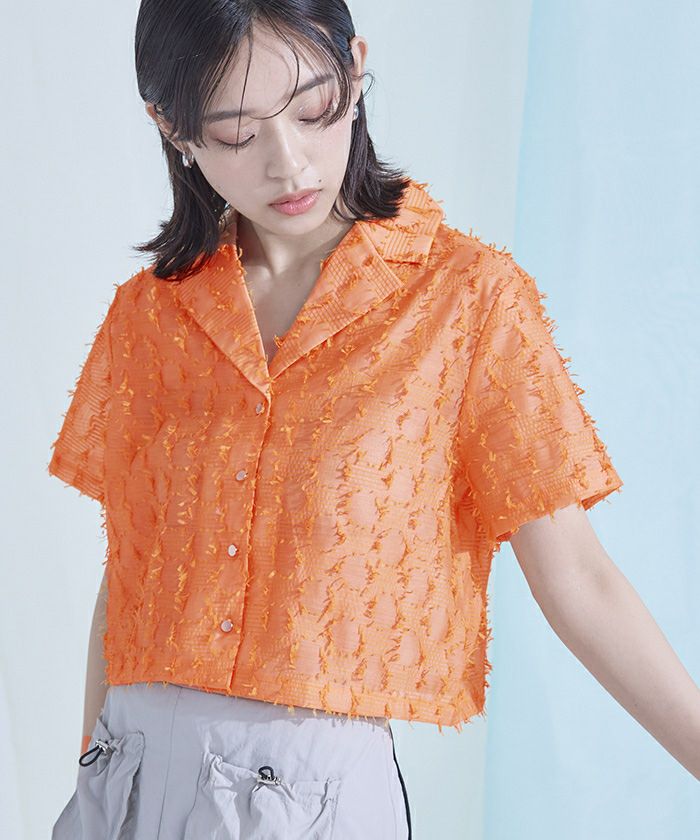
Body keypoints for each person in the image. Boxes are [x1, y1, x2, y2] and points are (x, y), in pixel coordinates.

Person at [48, 2, 700, 838]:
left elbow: (578, 578)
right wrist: (90, 775)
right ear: (172, 129)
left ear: (355, 71)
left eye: (314, 109)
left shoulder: (467, 300)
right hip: (123, 785)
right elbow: (130, 577)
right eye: (238, 132)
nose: (289, 163)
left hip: (309, 802)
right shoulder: (150, 317)